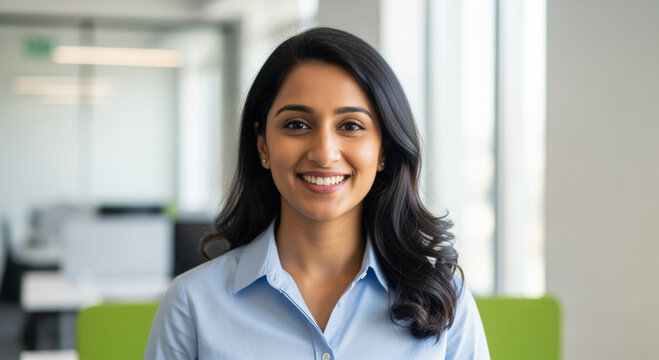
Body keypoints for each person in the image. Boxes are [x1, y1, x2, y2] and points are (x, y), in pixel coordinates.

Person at [145, 27, 489, 359]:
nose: (324, 153)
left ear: (383, 149)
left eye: (351, 126)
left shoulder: (445, 303)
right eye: (297, 125)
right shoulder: (193, 304)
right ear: (263, 144)